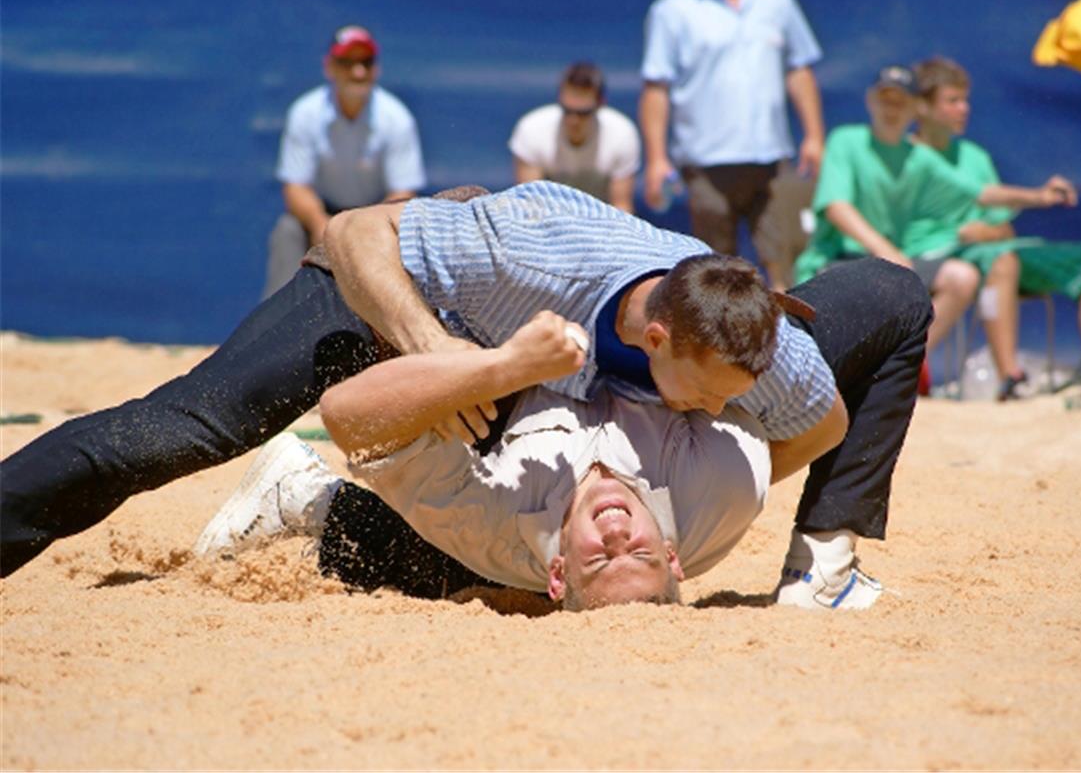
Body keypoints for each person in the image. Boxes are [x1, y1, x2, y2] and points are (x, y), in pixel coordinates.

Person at [2, 181, 929, 612]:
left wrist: (740, 457)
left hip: (520, 387)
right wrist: (438, 353)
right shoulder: (540, 252)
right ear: (655, 340)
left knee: (505, 563)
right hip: (391, 301)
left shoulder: (756, 351)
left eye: (734, 398)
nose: (713, 410)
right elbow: (360, 228)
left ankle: (825, 572)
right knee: (182, 431)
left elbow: (813, 427)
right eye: (702, 396)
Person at [195, 312, 773, 611]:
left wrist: (503, 368)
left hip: (466, 329)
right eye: (640, 551)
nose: (617, 531)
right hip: (623, 295)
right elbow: (791, 412)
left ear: (557, 572)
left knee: (462, 564)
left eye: (601, 560)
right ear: (673, 555)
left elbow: (348, 415)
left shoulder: (493, 523)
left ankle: (305, 495)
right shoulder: (726, 488)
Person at [793, 65, 1080, 398]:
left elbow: (982, 193)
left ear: (915, 108)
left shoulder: (921, 158)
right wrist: (885, 248)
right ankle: (875, 371)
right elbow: (837, 206)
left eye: (900, 101)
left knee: (967, 276)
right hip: (838, 262)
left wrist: (1041, 196)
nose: (891, 109)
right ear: (870, 102)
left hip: (895, 267)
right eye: (884, 100)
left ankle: (899, 367)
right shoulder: (846, 141)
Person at [911, 56, 1081, 386]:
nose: (964, 109)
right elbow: (983, 195)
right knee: (1004, 262)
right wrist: (1038, 197)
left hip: (996, 252)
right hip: (940, 259)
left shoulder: (974, 156)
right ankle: (1010, 378)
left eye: (965, 100)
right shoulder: (906, 157)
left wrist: (988, 231)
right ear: (921, 106)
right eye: (952, 101)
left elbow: (1003, 227)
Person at [638, 0, 826, 289]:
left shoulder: (777, 1)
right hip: (706, 165)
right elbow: (656, 86)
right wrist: (657, 158)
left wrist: (814, 136)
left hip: (770, 161)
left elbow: (799, 69)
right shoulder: (671, 10)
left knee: (782, 263)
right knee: (717, 272)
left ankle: (788, 333)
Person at [264, 25, 426, 299]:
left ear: (377, 68)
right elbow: (295, 187)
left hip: (377, 216)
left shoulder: (397, 119)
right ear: (329, 67)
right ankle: (273, 324)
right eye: (347, 62)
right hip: (320, 216)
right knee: (288, 231)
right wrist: (320, 225)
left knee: (409, 239)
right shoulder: (305, 113)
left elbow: (403, 194)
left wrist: (366, 229)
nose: (358, 72)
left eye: (366, 62)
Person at [508, 62, 641, 212]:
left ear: (600, 104)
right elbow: (530, 206)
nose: (573, 121)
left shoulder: (622, 135)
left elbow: (621, 206)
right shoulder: (531, 131)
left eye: (583, 113)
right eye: (567, 110)